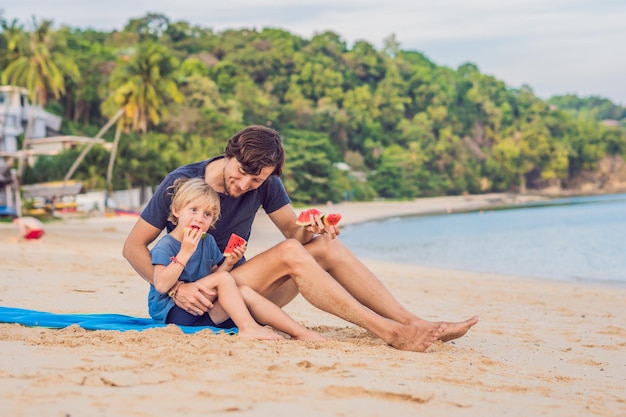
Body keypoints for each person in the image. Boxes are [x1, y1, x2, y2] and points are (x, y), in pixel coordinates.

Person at [124, 125, 478, 352]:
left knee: (322, 245)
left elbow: (295, 232)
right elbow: (132, 247)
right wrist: (173, 288)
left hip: (245, 292)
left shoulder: (267, 182)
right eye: (242, 173)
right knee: (292, 251)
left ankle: (410, 321)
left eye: (257, 180)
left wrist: (314, 225)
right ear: (228, 155)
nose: (246, 185)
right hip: (199, 299)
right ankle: (388, 331)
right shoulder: (184, 184)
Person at [150, 177, 326, 342]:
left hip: (204, 312)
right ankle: (247, 327)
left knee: (244, 291)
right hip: (175, 315)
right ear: (176, 210)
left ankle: (299, 332)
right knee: (225, 279)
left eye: (207, 214)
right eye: (193, 210)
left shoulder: (207, 241)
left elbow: (215, 278)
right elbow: (161, 285)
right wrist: (185, 253)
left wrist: (229, 263)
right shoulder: (166, 245)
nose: (199, 218)